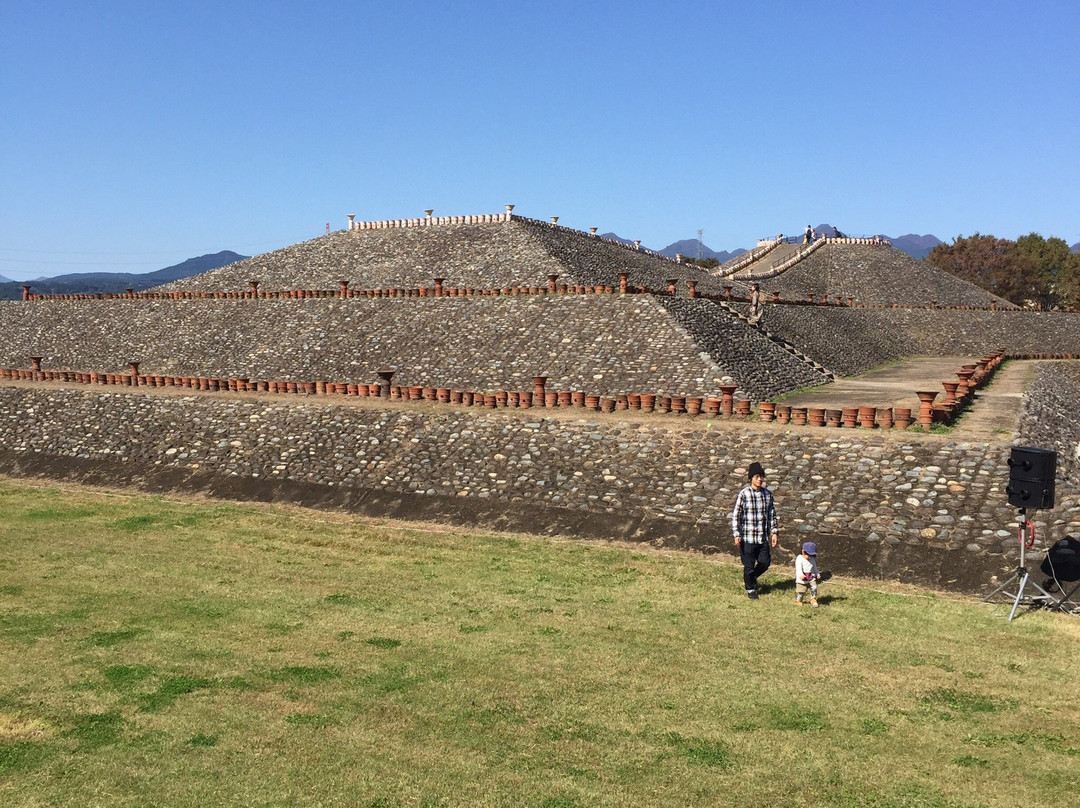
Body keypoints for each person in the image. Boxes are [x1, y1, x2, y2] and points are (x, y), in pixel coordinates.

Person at [731, 461, 779, 599]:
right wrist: (736, 534)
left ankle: (751, 579)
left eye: (761, 476)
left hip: (762, 538)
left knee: (765, 562)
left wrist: (774, 532)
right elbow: (736, 515)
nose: (760, 479)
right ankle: (750, 588)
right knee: (749, 565)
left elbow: (772, 515)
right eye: (757, 476)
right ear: (751, 478)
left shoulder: (767, 495)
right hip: (747, 538)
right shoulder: (744, 494)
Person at [795, 542, 821, 607]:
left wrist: (817, 573)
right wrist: (800, 575)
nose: (810, 557)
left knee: (814, 588)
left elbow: (814, 567)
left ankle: (813, 599)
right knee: (801, 591)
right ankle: (799, 600)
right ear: (803, 552)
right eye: (809, 555)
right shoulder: (799, 558)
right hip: (802, 579)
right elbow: (798, 568)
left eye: (812, 555)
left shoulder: (812, 559)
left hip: (811, 577)